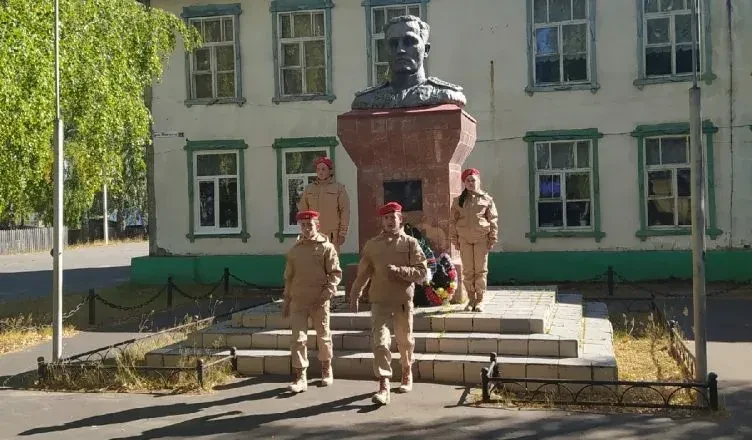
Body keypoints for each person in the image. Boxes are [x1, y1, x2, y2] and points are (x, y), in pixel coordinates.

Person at [349, 202, 428, 405]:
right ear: (382, 221)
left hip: (402, 301)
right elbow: (363, 273)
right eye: (386, 218)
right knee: (380, 342)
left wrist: (400, 271)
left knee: (405, 341)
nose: (390, 221)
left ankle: (407, 371)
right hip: (380, 301)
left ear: (400, 219)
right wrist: (355, 294)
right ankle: (384, 385)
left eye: (393, 217)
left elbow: (422, 272)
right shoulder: (372, 245)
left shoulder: (410, 243)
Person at [351, 15, 466, 110]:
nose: (400, 50)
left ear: (426, 50)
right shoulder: (367, 99)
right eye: (393, 44)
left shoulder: (443, 94)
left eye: (409, 42)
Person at [282, 210, 342, 393]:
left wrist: (326, 294)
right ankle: (300, 376)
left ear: (317, 226)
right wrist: (286, 300)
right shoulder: (294, 250)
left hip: (319, 301)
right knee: (298, 339)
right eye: (303, 225)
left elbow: (335, 274)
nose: (307, 228)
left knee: (323, 336)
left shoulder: (326, 248)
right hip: (298, 301)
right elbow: (289, 277)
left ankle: (326, 368)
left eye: (310, 225)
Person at [449, 168, 499, 313]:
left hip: (481, 239)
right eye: (468, 181)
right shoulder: (458, 201)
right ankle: (471, 300)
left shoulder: (487, 199)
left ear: (478, 181)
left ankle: (480, 300)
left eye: (473, 180)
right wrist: (455, 240)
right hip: (464, 239)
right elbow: (453, 221)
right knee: (468, 271)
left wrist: (492, 238)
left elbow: (493, 220)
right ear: (464, 183)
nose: (471, 183)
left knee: (481, 270)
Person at [298, 156, 350, 253]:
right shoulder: (309, 189)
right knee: (314, 260)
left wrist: (342, 233)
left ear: (330, 171)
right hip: (313, 233)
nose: (320, 172)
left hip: (332, 234)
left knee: (331, 259)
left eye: (323, 169)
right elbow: (303, 211)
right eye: (318, 169)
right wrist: (305, 229)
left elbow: (345, 211)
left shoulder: (339, 188)